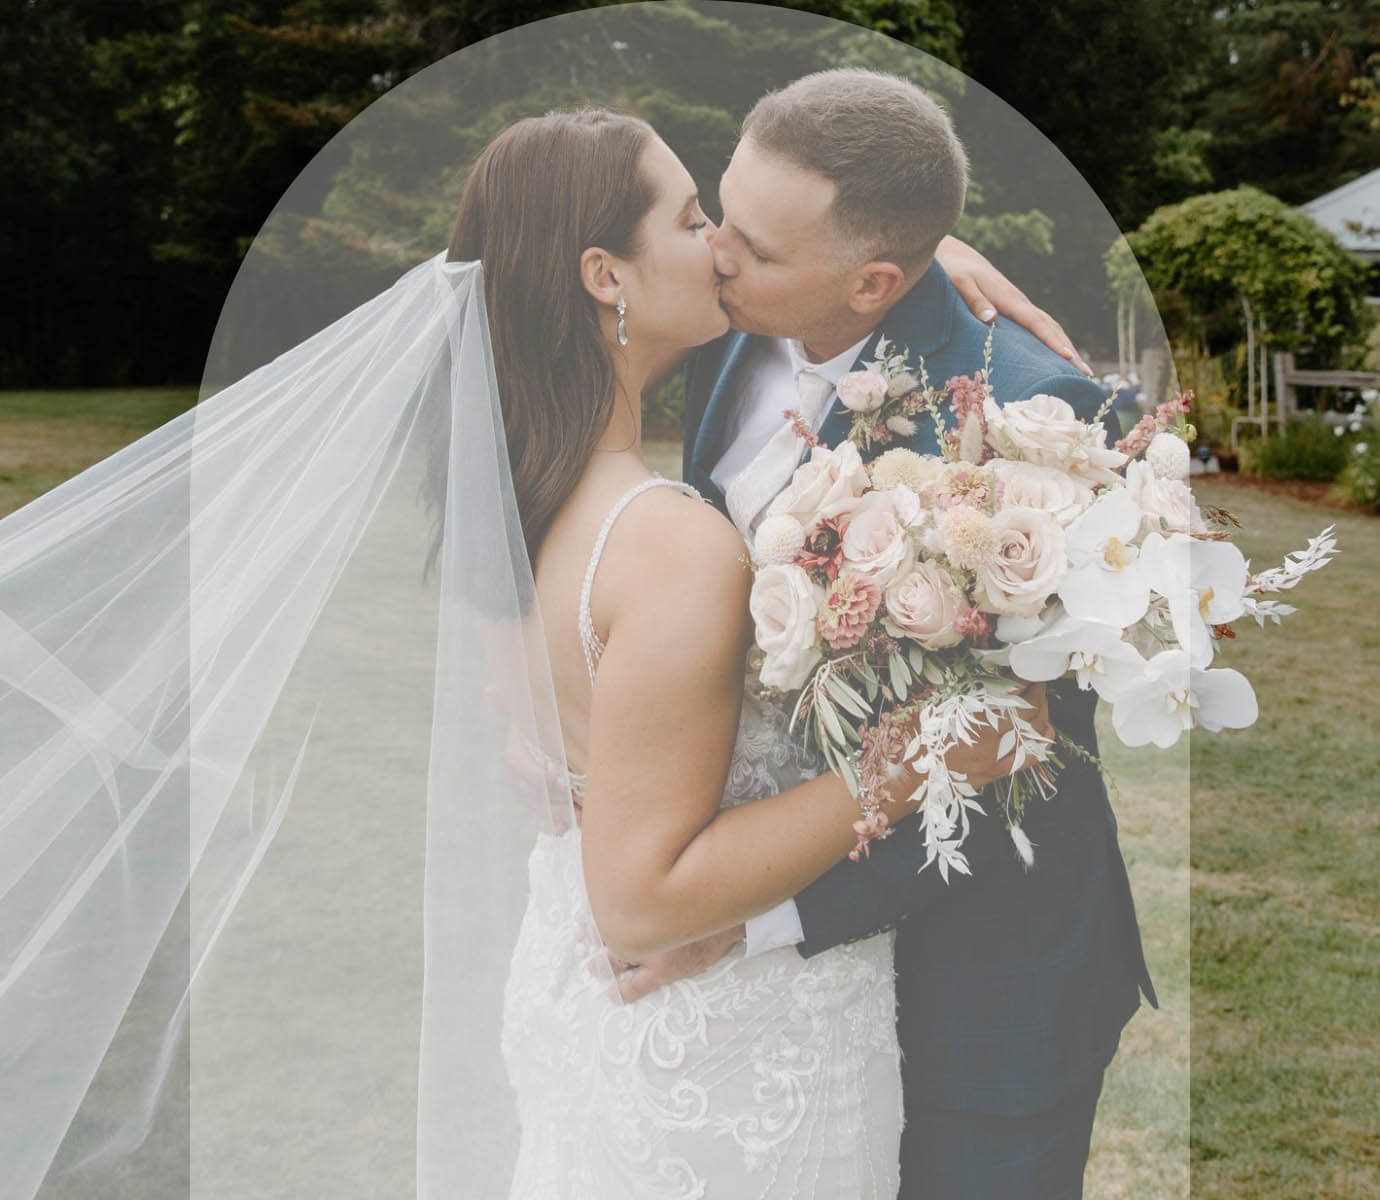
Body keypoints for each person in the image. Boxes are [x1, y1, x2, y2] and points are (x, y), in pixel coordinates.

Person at [605, 69, 1157, 1200]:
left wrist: (756, 927)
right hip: (784, 980)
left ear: (871, 282)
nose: (714, 254)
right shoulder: (731, 325)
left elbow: (1022, 753)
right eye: (719, 214)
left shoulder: (1035, 423)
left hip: (984, 991)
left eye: (751, 246)